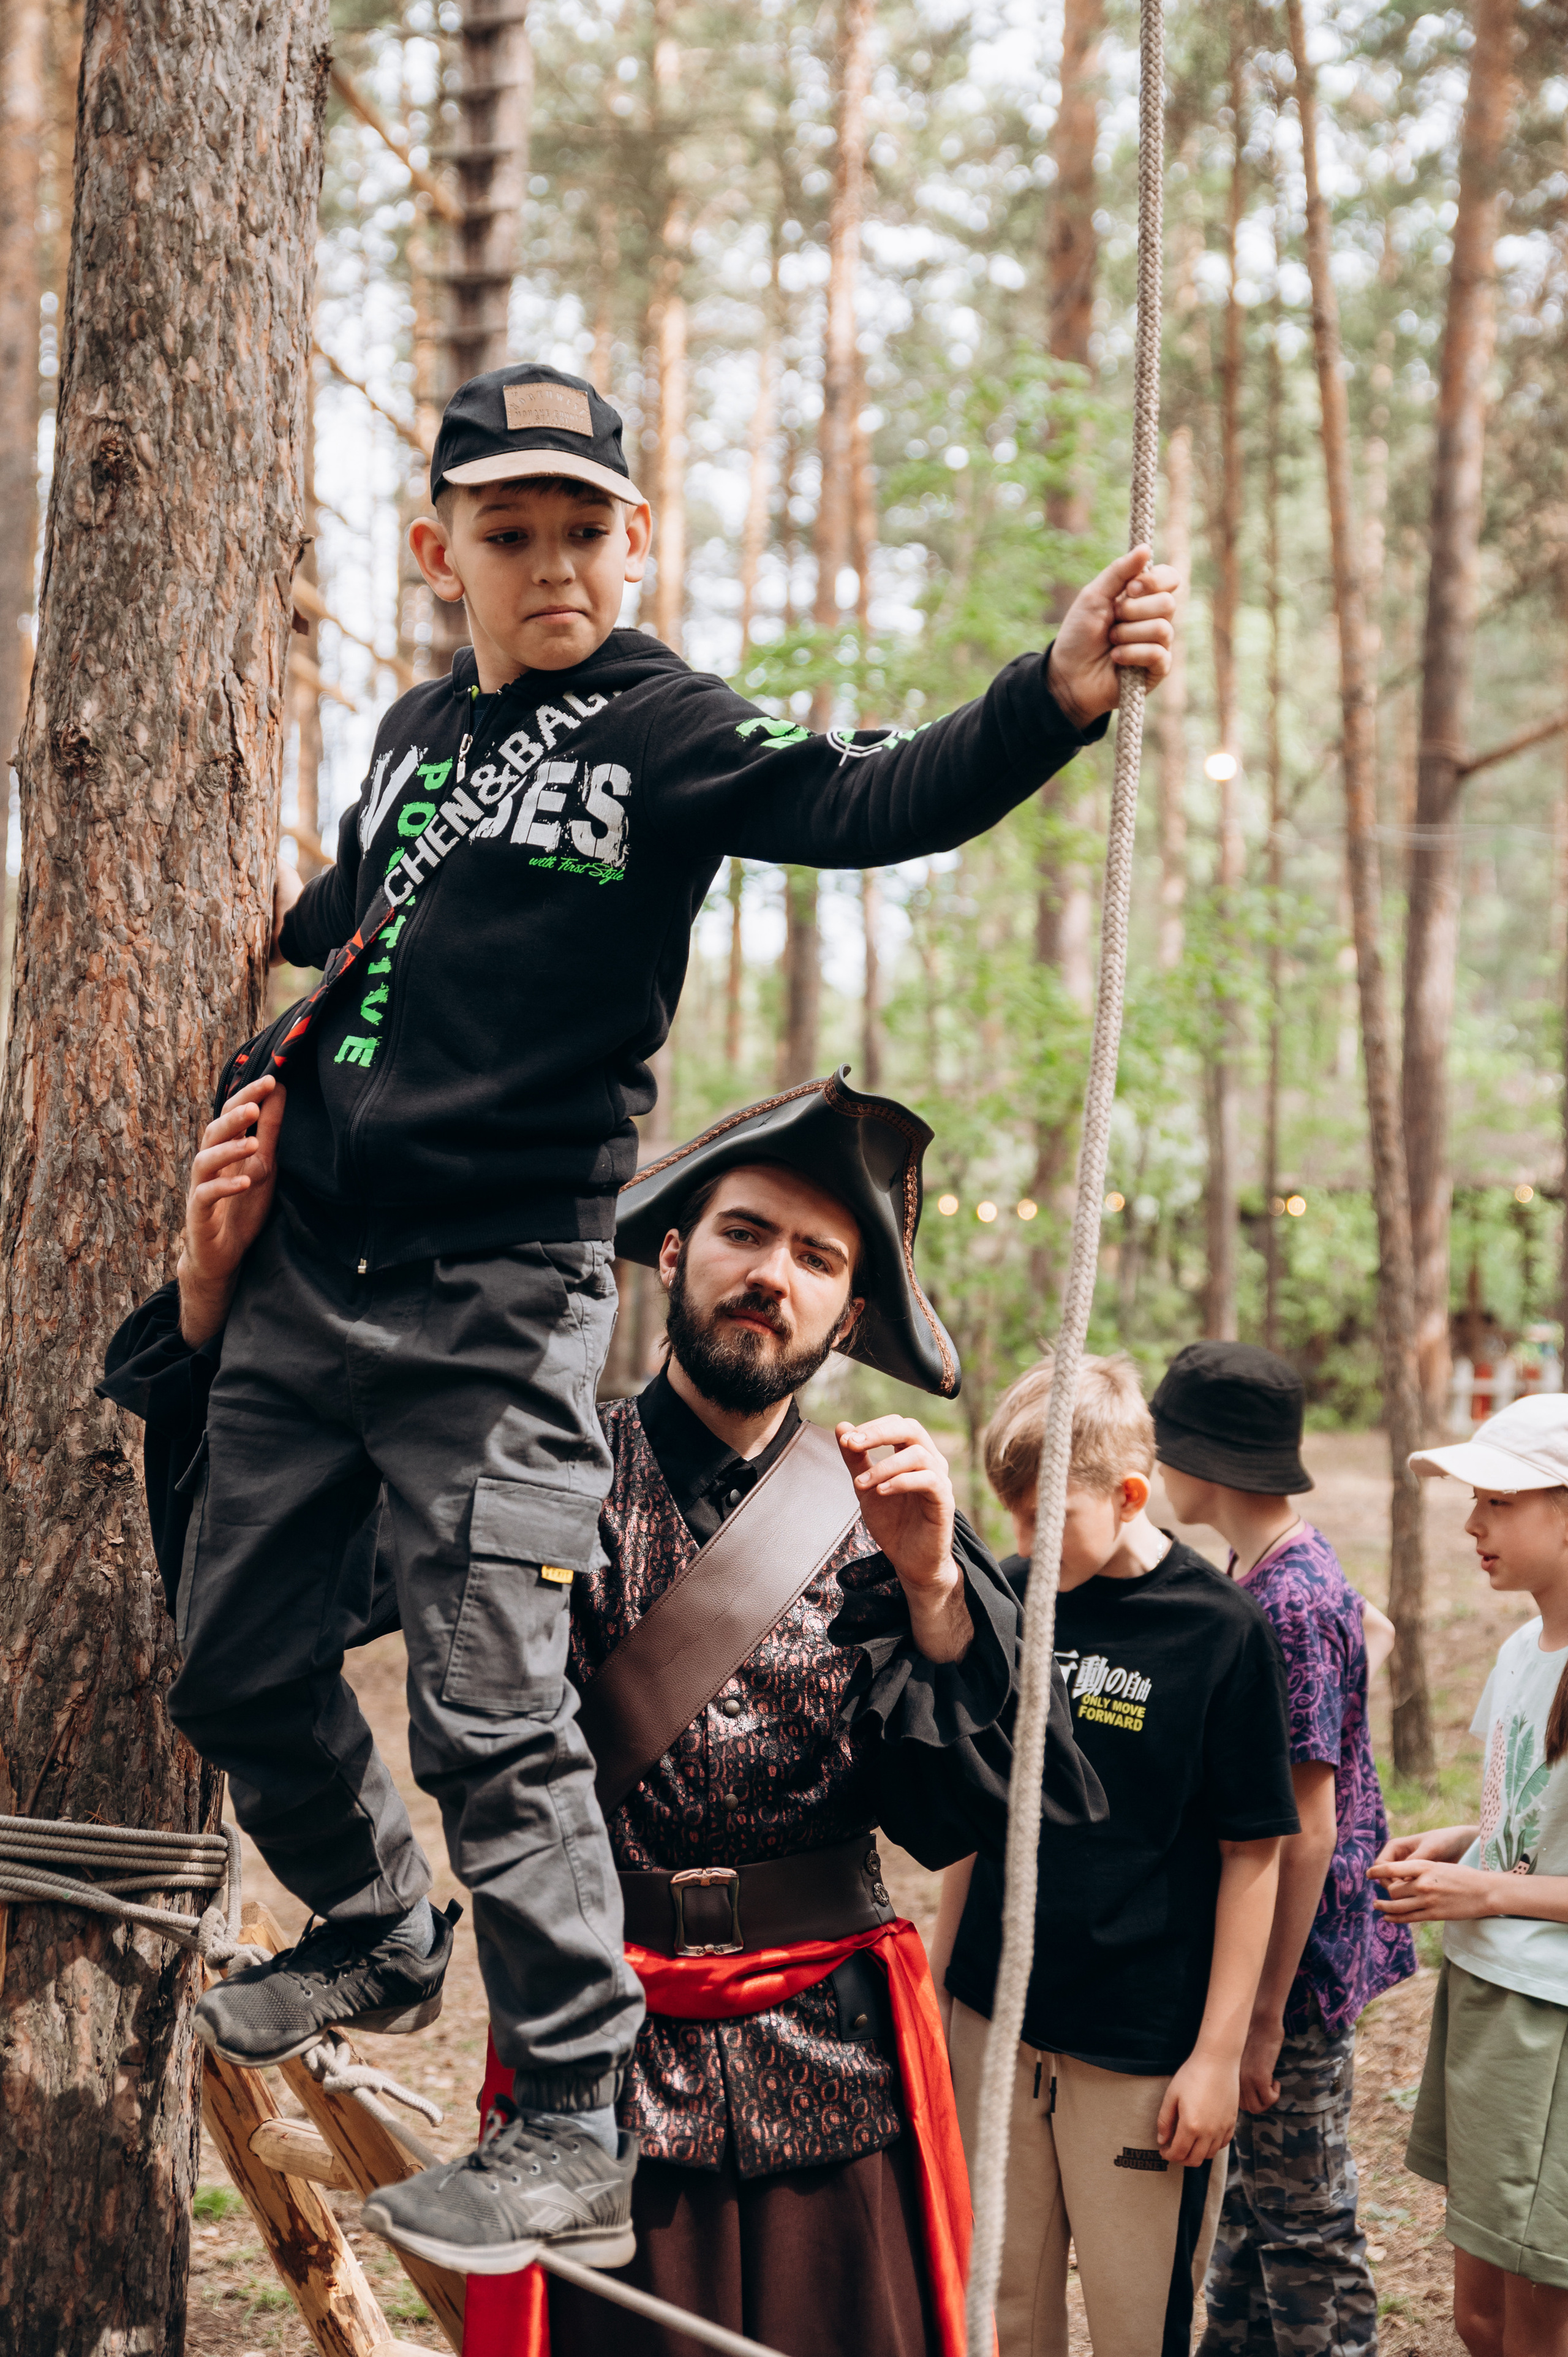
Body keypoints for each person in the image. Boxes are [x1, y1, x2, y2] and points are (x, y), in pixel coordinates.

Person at [143, 357, 1177, 2265]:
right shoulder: (407, 737)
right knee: (227, 1655)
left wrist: (1054, 700)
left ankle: (566, 2109)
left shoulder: (666, 729)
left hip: (495, 1284)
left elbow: (873, 798)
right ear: (438, 546)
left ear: (640, 540)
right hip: (310, 1274)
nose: (549, 566)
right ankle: (378, 1923)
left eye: (583, 531)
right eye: (507, 532)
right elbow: (374, 903)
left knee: (481, 1682)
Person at [393, 1075, 1104, 2353]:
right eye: (743, 1233)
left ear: (849, 1313)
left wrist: (938, 1586)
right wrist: (221, 1300)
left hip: (838, 2062)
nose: (771, 1274)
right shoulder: (536, 1480)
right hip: (595, 2055)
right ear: (671, 1250)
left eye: (815, 1256)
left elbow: (981, 1817)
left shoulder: (894, 1515)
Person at [933, 1352, 1300, 2357]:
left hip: (1141, 2049)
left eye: (1049, 1524)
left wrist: (1220, 2054)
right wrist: (936, 1990)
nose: (1025, 1550)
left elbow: (1253, 1854)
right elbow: (980, 1806)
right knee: (1000, 2309)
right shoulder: (1007, 1600)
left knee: (1143, 2323)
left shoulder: (1221, 1632)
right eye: (1012, 1522)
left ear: (1132, 1494)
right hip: (996, 2028)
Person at [1148, 1341, 1417, 2357]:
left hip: (1291, 1969)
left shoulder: (1287, 1600)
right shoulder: (1281, 1569)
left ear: (1208, 1464)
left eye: (1169, 1447)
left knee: (1304, 2220)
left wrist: (1259, 2020)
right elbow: (1370, 1632)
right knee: (1258, 2208)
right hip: (1277, 1959)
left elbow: (1304, 1832)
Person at [1373, 1394, 1568, 2357]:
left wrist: (1485, 1892)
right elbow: (1526, 1820)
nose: (1472, 1524)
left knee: (1539, 2319)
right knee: (1480, 2315)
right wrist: (1458, 1845)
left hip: (1551, 2023)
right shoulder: (1518, 1652)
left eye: (1498, 1500)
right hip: (1486, 1994)